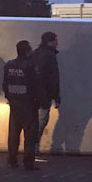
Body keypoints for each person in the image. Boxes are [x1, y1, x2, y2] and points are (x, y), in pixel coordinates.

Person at [2, 40, 41, 170]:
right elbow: (36, 86)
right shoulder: (30, 66)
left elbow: (5, 85)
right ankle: (28, 162)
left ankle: (11, 160)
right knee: (29, 135)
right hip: (28, 105)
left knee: (13, 133)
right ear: (27, 51)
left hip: (14, 104)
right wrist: (38, 101)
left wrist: (10, 98)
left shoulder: (9, 65)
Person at [31, 31, 60, 160]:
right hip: (45, 95)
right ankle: (34, 151)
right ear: (50, 41)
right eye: (56, 40)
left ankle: (31, 149)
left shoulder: (35, 54)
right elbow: (54, 78)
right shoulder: (50, 56)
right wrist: (57, 97)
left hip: (32, 95)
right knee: (41, 121)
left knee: (33, 122)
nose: (57, 43)